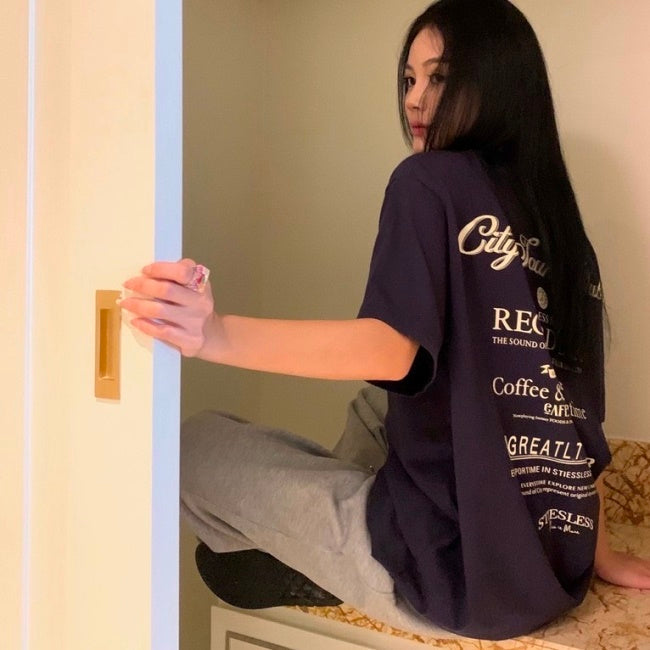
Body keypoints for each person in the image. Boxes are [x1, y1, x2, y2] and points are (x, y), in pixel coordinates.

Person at [119, 0, 650, 641]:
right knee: (388, 401)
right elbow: (567, 408)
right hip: (550, 568)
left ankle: (331, 556)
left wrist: (211, 332)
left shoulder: (428, 181)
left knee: (192, 445)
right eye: (409, 78)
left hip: (450, 574)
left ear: (499, 82)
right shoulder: (564, 229)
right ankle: (330, 532)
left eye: (440, 78)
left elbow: (388, 350)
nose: (415, 99)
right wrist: (597, 554)